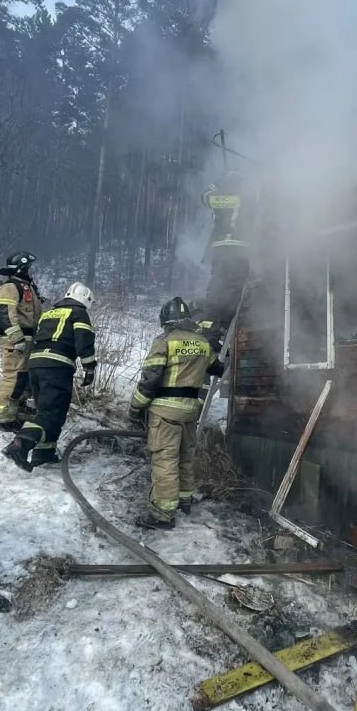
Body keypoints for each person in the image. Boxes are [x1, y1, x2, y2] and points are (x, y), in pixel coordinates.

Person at [128, 296, 223, 528]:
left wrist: (135, 407)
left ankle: (162, 514)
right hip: (191, 412)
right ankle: (184, 500)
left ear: (166, 319)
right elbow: (218, 368)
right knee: (185, 457)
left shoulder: (164, 341)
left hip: (166, 412)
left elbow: (150, 379)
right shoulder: (202, 343)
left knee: (165, 460)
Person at [3, 282, 97, 471]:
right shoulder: (79, 313)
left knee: (46, 410)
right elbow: (84, 340)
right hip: (57, 367)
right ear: (86, 300)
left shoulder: (49, 313)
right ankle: (20, 444)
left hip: (36, 366)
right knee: (52, 412)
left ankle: (44, 453)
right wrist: (89, 368)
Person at [0, 252, 42, 431]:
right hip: (15, 342)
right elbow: (5, 314)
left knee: (23, 379)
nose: (30, 270)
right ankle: (1, 418)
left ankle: (14, 415)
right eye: (29, 267)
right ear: (22, 267)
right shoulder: (10, 287)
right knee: (12, 377)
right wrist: (16, 338)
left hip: (27, 341)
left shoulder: (27, 287)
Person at [201, 171, 251, 340]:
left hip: (221, 249)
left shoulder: (219, 199)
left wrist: (217, 183)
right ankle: (225, 325)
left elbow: (205, 197)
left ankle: (212, 326)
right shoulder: (246, 199)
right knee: (234, 291)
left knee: (216, 289)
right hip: (240, 250)